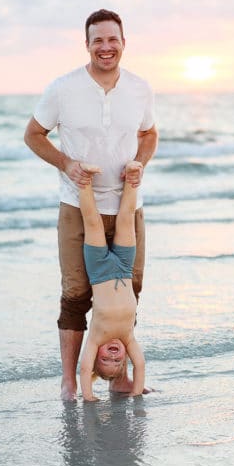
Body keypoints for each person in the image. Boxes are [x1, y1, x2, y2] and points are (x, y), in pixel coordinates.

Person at [23, 8, 158, 400]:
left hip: (129, 207)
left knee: (130, 289)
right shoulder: (63, 88)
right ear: (87, 45)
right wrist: (66, 164)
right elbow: (33, 135)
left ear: (123, 43)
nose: (105, 47)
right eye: (97, 40)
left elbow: (149, 134)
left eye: (112, 39)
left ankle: (121, 378)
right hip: (77, 206)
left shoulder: (139, 88)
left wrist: (139, 162)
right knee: (77, 293)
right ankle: (69, 382)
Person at [78, 161, 145, 402]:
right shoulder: (128, 337)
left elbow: (84, 369)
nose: (112, 356)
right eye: (117, 361)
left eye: (105, 359)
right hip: (125, 269)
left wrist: (89, 397)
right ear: (125, 356)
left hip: (99, 270)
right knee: (126, 219)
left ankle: (84, 179)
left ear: (96, 355)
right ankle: (132, 176)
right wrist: (136, 394)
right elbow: (141, 365)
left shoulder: (96, 338)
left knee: (92, 222)